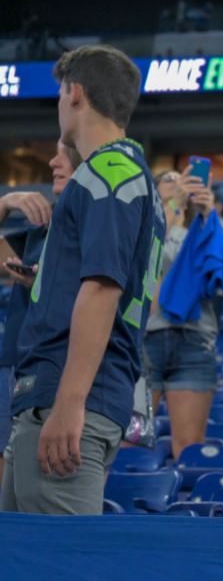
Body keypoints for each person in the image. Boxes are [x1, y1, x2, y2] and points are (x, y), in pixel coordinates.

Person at [1, 45, 164, 515]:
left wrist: (69, 403)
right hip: (60, 395)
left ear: (75, 94)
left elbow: (101, 289)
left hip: (72, 398)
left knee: (58, 565)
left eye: (58, 94)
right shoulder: (125, 174)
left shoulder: (108, 172)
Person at [0, 141, 81, 486]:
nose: (52, 161)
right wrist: (4, 204)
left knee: (44, 493)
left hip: (59, 372)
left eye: (66, 152)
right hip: (17, 362)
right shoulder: (48, 220)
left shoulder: (100, 222)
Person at [143, 165, 223, 459]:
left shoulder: (205, 228)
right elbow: (143, 258)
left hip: (194, 341)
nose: (177, 183)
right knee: (130, 442)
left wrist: (208, 212)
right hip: (144, 341)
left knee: (189, 448)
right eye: (169, 179)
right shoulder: (140, 227)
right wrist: (172, 208)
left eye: (183, 180)